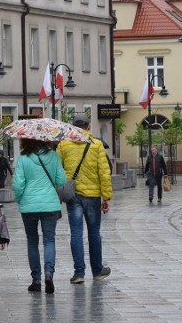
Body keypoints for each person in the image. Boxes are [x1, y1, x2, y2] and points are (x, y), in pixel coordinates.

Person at [57, 113, 113, 284]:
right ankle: (97, 271)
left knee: (76, 233)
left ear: (73, 127)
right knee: (94, 233)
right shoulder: (96, 145)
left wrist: (60, 189)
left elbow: (58, 170)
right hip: (93, 195)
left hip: (73, 196)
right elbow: (104, 173)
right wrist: (106, 197)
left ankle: (79, 273)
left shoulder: (63, 145)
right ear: (88, 126)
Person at [13, 138, 66, 294]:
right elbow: (62, 180)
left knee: (32, 241)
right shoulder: (54, 156)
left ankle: (36, 280)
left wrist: (19, 199)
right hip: (50, 204)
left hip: (29, 205)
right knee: (49, 240)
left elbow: (17, 184)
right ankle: (49, 274)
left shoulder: (23, 158)